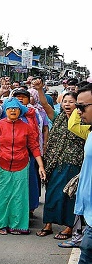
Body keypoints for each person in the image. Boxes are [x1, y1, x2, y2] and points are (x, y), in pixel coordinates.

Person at [0, 97, 46, 235]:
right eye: (9, 108)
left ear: (20, 111)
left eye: (15, 108)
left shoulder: (26, 126)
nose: (13, 111)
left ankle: (18, 225)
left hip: (22, 165)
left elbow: (34, 146)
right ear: (5, 111)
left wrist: (41, 166)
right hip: (1, 165)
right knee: (2, 195)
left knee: (19, 196)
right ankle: (1, 224)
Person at [38, 92, 84, 239]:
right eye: (65, 101)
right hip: (54, 162)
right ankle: (48, 224)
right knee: (51, 193)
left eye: (71, 101)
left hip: (73, 163)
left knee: (69, 195)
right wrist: (39, 89)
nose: (67, 104)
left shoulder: (83, 121)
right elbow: (45, 105)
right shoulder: (58, 118)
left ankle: (69, 226)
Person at [71, 84, 92, 264]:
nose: (78, 111)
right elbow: (73, 124)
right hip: (88, 215)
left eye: (82, 107)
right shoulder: (90, 132)